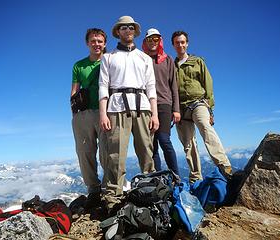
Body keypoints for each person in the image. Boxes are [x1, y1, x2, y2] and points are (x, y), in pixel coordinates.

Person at [99, 16, 159, 212]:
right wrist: (103, 114)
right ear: (118, 31)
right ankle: (112, 198)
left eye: (131, 27)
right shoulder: (108, 57)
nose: (127, 30)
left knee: (146, 151)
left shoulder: (144, 58)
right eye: (123, 27)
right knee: (116, 155)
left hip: (143, 107)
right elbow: (103, 87)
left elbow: (151, 87)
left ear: (134, 31)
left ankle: (151, 192)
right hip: (116, 107)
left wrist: (155, 114)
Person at [171, 30, 232, 183]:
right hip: (180, 108)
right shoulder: (171, 66)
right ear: (173, 45)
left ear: (187, 43)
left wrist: (210, 107)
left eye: (182, 42)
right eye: (177, 42)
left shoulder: (197, 61)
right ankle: (195, 178)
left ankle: (225, 167)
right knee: (188, 143)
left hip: (198, 102)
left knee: (206, 128)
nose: (180, 45)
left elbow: (208, 84)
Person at [71, 28, 107, 208]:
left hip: (106, 112)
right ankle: (93, 190)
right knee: (85, 153)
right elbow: (74, 90)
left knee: (107, 152)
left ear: (104, 43)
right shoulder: (79, 65)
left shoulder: (109, 62)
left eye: (100, 41)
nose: (96, 44)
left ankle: (109, 188)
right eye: (93, 41)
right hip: (84, 113)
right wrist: (75, 115)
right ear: (87, 43)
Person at [142, 28, 180, 176]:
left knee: (164, 140)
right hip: (145, 105)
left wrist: (176, 109)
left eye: (156, 39)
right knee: (152, 145)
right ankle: (159, 178)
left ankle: (175, 176)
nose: (153, 42)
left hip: (164, 104)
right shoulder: (141, 59)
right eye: (149, 39)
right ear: (145, 42)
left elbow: (174, 86)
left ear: (160, 41)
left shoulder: (168, 59)